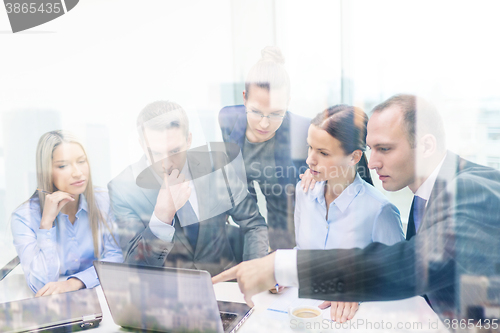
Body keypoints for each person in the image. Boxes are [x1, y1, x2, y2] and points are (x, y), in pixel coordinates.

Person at [212, 94, 500, 323]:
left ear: (425, 146)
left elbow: (415, 263)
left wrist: (281, 266)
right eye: (372, 149)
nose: (372, 163)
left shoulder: (472, 189)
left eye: (384, 149)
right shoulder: (424, 198)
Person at [108, 100, 269, 276]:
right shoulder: (123, 189)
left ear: (189, 140)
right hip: (166, 295)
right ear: (142, 145)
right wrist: (162, 218)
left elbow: (254, 225)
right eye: (156, 152)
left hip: (225, 286)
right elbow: (136, 268)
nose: (166, 163)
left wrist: (256, 273)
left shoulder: (217, 166)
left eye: (175, 151)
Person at [294, 105, 405, 322]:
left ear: (354, 157)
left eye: (323, 153)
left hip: (354, 321)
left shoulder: (379, 211)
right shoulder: (304, 191)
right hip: (304, 312)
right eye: (310, 148)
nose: (310, 160)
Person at [11, 130, 123, 296]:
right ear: (46, 171)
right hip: (53, 304)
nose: (78, 172)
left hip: (100, 294)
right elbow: (40, 284)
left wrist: (75, 282)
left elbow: (116, 259)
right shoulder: (24, 217)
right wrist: (46, 223)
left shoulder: (104, 201)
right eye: (63, 166)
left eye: (81, 161)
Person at [219, 46, 309, 250]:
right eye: (256, 112)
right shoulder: (228, 120)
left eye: (276, 113)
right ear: (244, 98)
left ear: (288, 103)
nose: (264, 124)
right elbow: (240, 183)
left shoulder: (304, 132)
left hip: (294, 224)